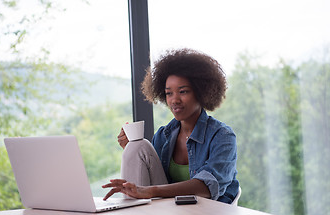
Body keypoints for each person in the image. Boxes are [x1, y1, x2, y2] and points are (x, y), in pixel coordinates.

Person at [102, 48, 239, 204]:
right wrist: (131, 148)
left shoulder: (222, 136)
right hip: (171, 214)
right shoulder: (163, 135)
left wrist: (150, 191)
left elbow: (208, 186)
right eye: (169, 93)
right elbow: (149, 177)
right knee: (137, 146)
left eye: (183, 91)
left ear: (202, 92)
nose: (174, 100)